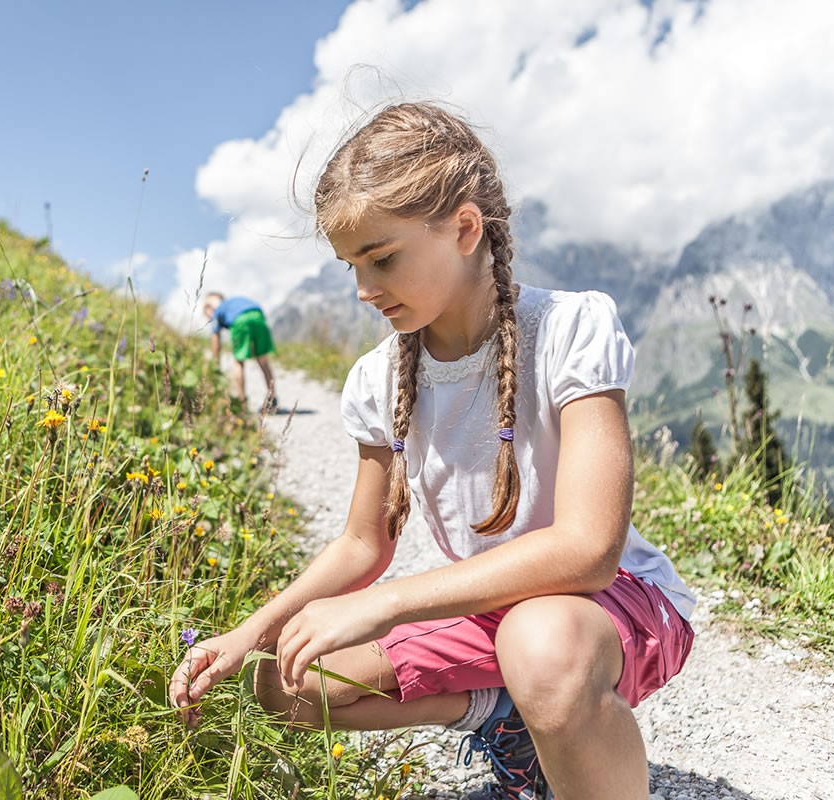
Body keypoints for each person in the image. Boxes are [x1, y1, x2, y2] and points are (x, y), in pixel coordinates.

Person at [170, 103, 695, 800]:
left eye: (383, 258)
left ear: (465, 228)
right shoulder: (376, 379)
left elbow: (588, 551)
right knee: (287, 679)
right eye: (352, 266)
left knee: (540, 645)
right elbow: (363, 543)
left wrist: (386, 606)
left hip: (608, 603)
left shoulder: (571, 327)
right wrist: (249, 633)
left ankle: (551, 706)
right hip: (497, 608)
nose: (364, 290)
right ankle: (504, 715)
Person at [203, 292, 279, 413]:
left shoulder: (217, 311)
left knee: (239, 362)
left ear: (209, 308)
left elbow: (216, 340)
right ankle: (272, 399)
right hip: (258, 315)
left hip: (240, 320)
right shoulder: (233, 302)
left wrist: (216, 362)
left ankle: (242, 402)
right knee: (263, 361)